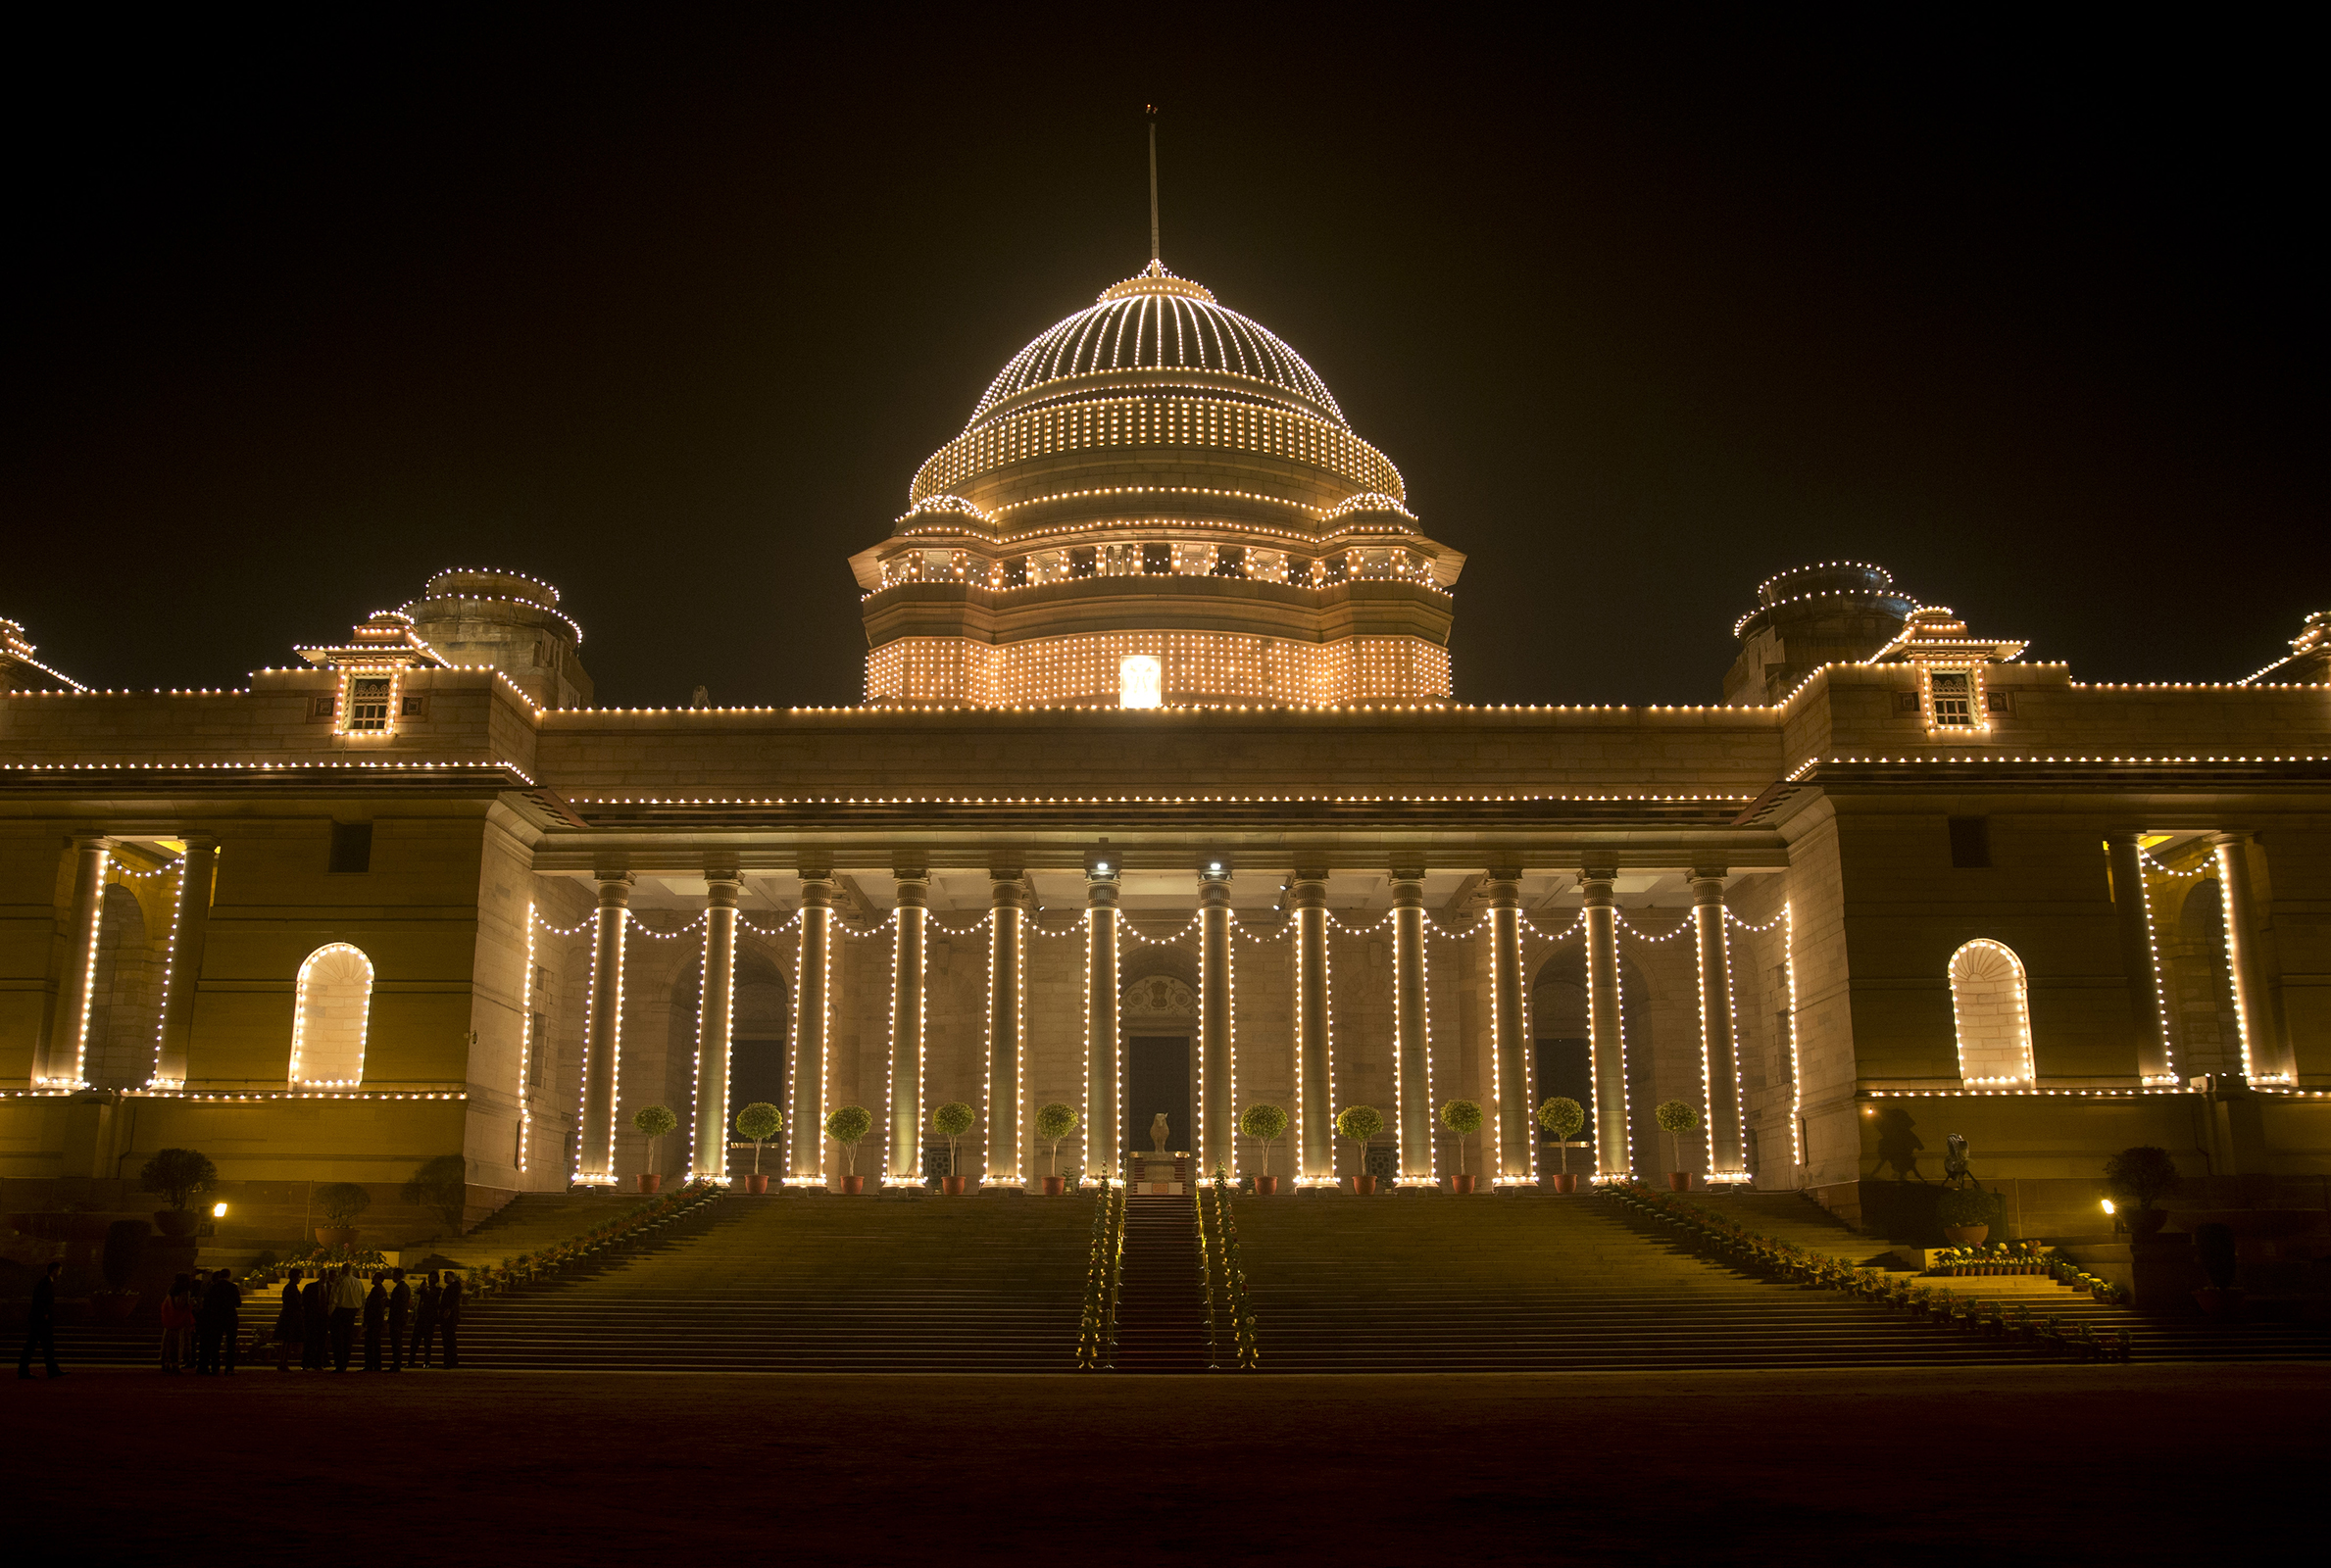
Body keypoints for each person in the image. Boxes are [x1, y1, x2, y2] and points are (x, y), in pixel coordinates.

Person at [19, 1259, 63, 1378]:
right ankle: (51, 1370)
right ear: (54, 1271)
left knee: (35, 1345)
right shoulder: (46, 1283)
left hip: (38, 1319)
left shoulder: (44, 1282)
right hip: (41, 1320)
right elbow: (41, 1300)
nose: (60, 1273)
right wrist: (45, 1313)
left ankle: (24, 1370)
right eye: (59, 1271)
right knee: (44, 1345)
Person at [197, 1269, 240, 1374]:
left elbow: (207, 1302)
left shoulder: (213, 1287)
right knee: (231, 1344)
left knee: (215, 1343)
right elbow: (238, 1303)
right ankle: (229, 1368)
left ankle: (215, 1367)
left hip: (216, 1317)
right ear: (229, 1275)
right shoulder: (233, 1287)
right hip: (230, 1317)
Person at [327, 1263, 365, 1372]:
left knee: (337, 1339)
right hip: (352, 1312)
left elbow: (333, 1298)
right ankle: (344, 1363)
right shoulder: (358, 1282)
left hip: (340, 1311)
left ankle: (339, 1364)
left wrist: (331, 1313)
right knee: (348, 1340)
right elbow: (362, 1298)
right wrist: (359, 1310)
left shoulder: (339, 1281)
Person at [160, 1272, 196, 1373]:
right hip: (180, 1320)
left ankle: (166, 1363)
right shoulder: (184, 1292)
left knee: (168, 1343)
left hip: (170, 1320)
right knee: (177, 1343)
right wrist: (192, 1304)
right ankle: (175, 1364)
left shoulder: (171, 1291)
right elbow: (181, 1305)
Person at [273, 1268, 306, 1371]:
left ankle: (283, 1362)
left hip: (289, 1316)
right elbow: (294, 1303)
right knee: (287, 1341)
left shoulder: (290, 1287)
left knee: (287, 1341)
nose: (300, 1279)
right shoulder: (290, 1288)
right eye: (299, 1277)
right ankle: (283, 1362)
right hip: (290, 1317)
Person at [409, 1270, 440, 1369]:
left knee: (428, 1342)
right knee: (415, 1341)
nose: (431, 1279)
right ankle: (411, 1361)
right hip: (420, 1317)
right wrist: (422, 1287)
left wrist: (426, 1289)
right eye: (430, 1277)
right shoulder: (424, 1289)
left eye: (434, 1278)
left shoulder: (437, 1290)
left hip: (429, 1319)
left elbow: (432, 1297)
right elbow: (417, 1292)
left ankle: (427, 1361)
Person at [300, 1267, 329, 1370]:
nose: (324, 1277)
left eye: (326, 1275)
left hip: (324, 1318)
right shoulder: (310, 1287)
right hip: (312, 1318)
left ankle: (319, 1363)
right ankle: (306, 1363)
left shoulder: (331, 1288)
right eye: (323, 1275)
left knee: (322, 1342)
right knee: (309, 1341)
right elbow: (304, 1302)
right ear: (319, 1275)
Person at [362, 1272, 388, 1371]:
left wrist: (367, 1319)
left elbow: (372, 1307)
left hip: (374, 1321)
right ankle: (376, 1365)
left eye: (374, 1278)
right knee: (375, 1343)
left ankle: (370, 1364)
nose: (372, 1279)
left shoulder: (377, 1290)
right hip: (376, 1320)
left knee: (371, 1343)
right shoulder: (381, 1290)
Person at [386, 1268, 411, 1372]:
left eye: (393, 1275)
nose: (392, 1277)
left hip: (396, 1318)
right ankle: (397, 1362)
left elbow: (396, 1304)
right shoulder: (406, 1287)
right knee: (397, 1341)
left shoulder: (399, 1288)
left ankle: (396, 1363)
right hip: (401, 1318)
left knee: (395, 1341)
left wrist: (387, 1302)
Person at [438, 1271, 463, 1369]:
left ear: (452, 1277)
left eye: (446, 1276)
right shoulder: (451, 1287)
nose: (444, 1278)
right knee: (447, 1339)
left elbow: (453, 1300)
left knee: (449, 1339)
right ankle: (448, 1360)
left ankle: (451, 1360)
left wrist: (448, 1310)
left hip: (450, 1317)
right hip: (447, 1317)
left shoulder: (455, 1286)